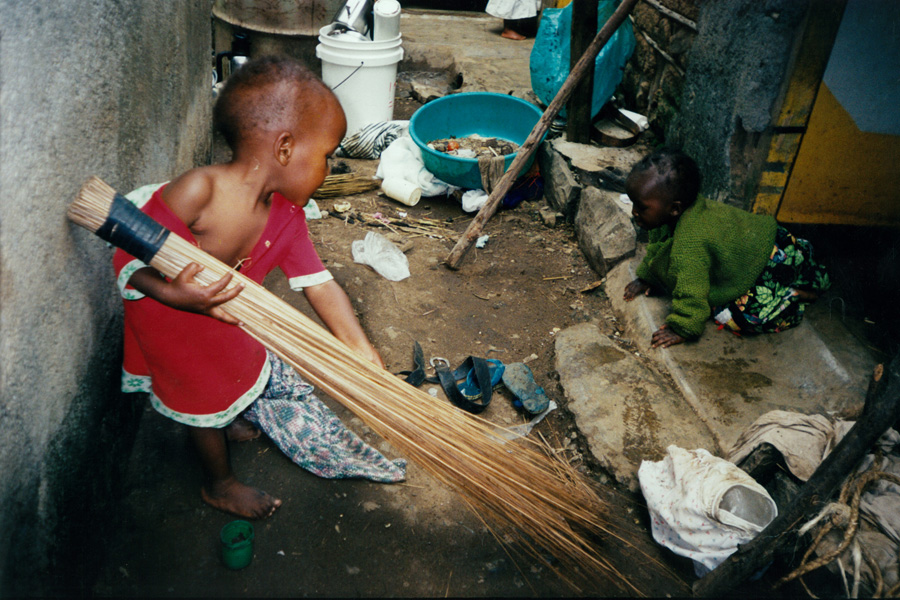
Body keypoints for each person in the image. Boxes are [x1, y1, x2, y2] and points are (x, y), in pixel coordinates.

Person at [113, 56, 398, 520]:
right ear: (285, 148)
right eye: (327, 155)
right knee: (201, 397)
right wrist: (172, 295)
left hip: (226, 317)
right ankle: (219, 483)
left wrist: (359, 347)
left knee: (235, 368)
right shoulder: (199, 191)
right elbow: (126, 257)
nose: (329, 168)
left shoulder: (286, 214)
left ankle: (226, 416)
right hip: (174, 322)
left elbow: (319, 283)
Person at [623, 147, 830, 349]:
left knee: (737, 317)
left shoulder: (689, 245)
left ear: (675, 208)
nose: (634, 212)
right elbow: (658, 250)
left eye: (641, 207)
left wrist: (682, 328)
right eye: (633, 204)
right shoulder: (675, 213)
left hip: (770, 262)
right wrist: (647, 277)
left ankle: (796, 295)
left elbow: (691, 293)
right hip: (767, 245)